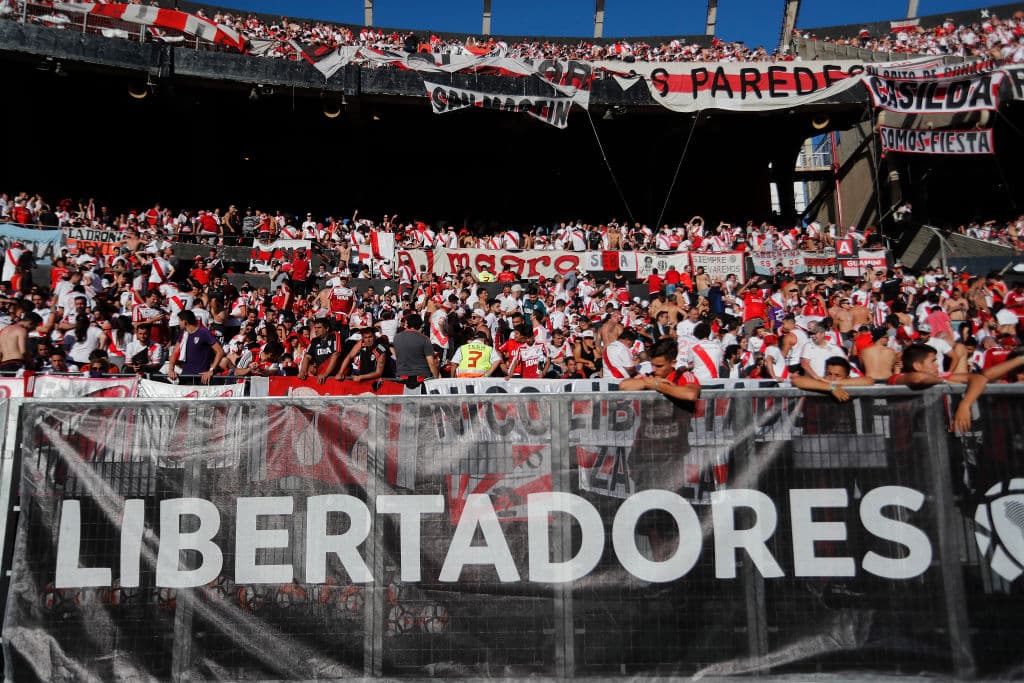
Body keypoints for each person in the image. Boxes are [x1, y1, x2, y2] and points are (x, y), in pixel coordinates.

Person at [168, 309, 224, 384]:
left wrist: (211, 370)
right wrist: (171, 369)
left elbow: (220, 351)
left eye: (180, 321)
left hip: (201, 378)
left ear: (185, 322)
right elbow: (175, 353)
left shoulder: (204, 333)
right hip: (185, 376)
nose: (179, 323)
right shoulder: (183, 335)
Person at [394, 313, 440, 394]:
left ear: (407, 324)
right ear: (420, 325)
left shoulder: (396, 337)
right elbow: (431, 363)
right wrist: (436, 378)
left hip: (401, 377)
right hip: (422, 378)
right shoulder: (424, 339)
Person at [792, 356, 874, 401]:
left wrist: (833, 384)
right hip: (819, 429)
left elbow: (869, 380)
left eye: (837, 375)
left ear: (848, 378)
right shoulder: (820, 384)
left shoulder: (849, 385)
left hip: (845, 429)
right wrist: (831, 387)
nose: (832, 378)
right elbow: (796, 380)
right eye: (829, 374)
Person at [297, 317, 343, 383]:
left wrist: (325, 374)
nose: (316, 330)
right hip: (320, 376)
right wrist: (303, 371)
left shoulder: (335, 336)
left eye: (319, 328)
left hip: (333, 376)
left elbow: (336, 354)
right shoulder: (314, 341)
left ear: (327, 328)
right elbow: (307, 356)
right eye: (315, 328)